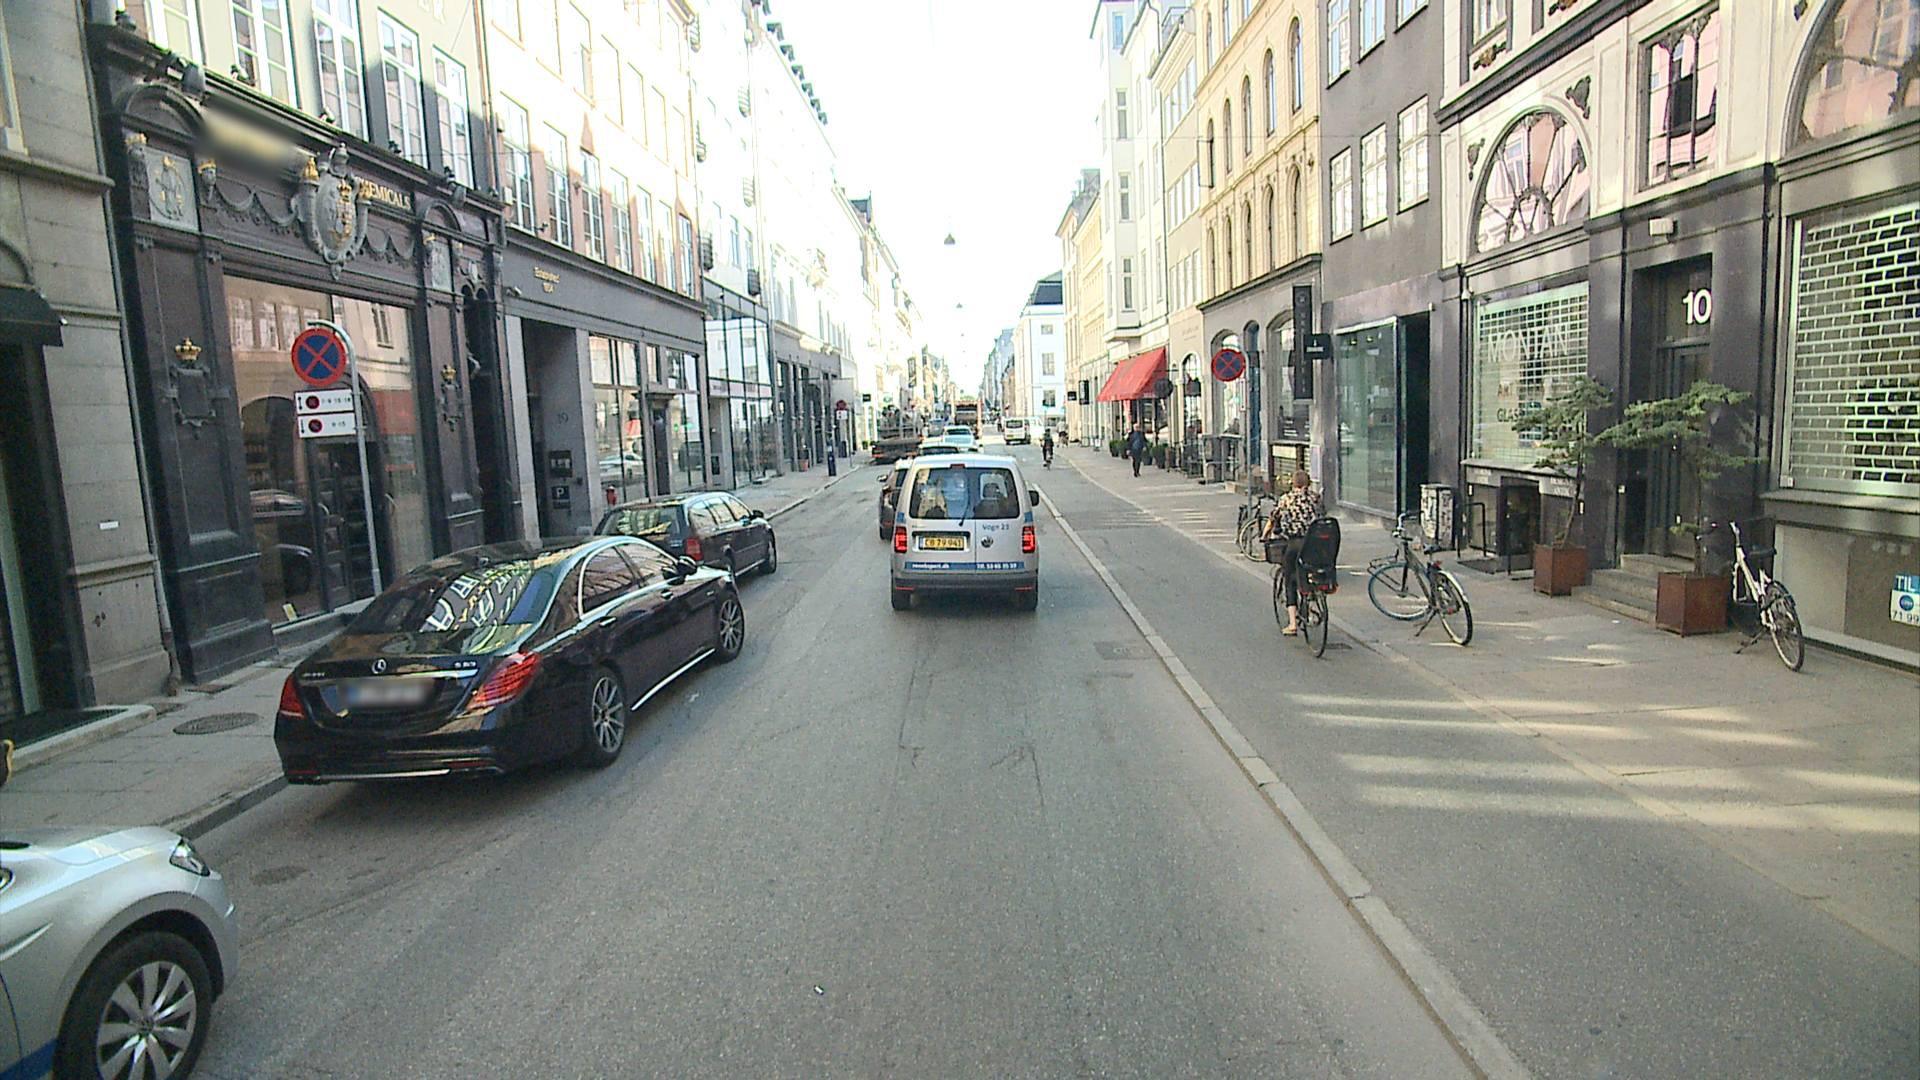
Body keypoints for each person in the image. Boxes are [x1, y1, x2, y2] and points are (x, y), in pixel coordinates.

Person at [1261, 470, 1323, 635]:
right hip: (1314, 545)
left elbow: (1273, 519)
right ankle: (1312, 597)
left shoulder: (1286, 499)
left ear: (1293, 483)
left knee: (1290, 579)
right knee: (1309, 572)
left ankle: (1293, 624)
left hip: (1295, 544)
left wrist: (1264, 535)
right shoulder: (1315, 498)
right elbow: (1322, 517)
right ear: (1308, 483)